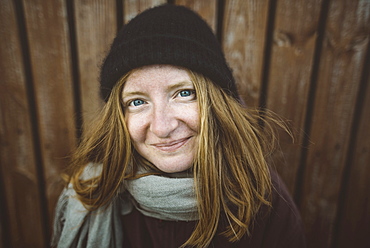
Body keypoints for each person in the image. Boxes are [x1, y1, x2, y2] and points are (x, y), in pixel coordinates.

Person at [52, 4, 306, 248]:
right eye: (137, 101)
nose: (162, 127)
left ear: (217, 104)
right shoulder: (96, 191)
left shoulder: (265, 198)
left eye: (184, 93)